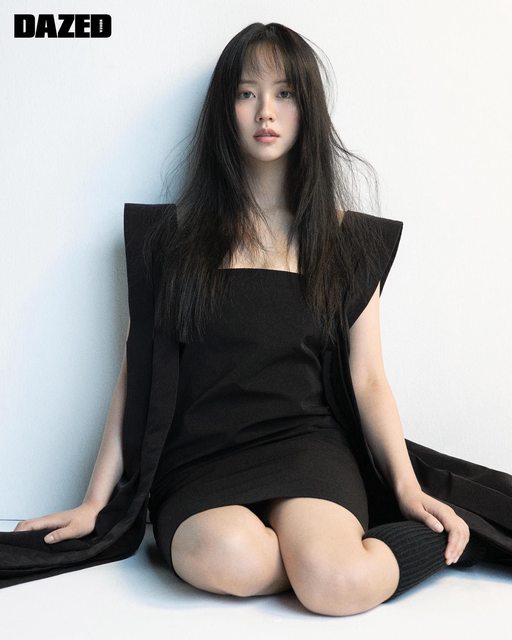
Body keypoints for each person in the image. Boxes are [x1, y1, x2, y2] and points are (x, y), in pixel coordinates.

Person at [5, 22, 510, 612]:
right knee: (234, 559)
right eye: (247, 93)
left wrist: (404, 487)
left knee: (337, 583)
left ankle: (436, 544)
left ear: (307, 108)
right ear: (225, 110)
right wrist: (95, 501)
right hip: (200, 460)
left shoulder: (347, 242)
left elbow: (369, 379)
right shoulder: (170, 239)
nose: (265, 111)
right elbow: (135, 374)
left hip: (309, 448)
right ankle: (308, 557)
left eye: (284, 93)